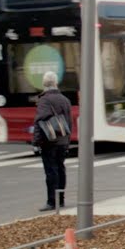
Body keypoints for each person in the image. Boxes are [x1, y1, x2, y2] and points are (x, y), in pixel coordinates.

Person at [33, 71, 72, 212]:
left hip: (49, 141)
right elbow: (69, 122)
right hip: (62, 140)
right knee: (61, 169)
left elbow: (39, 122)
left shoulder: (44, 100)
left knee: (51, 171)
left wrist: (36, 142)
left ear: (44, 84)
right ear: (56, 83)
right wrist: (67, 141)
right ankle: (61, 200)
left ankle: (52, 201)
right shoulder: (64, 99)